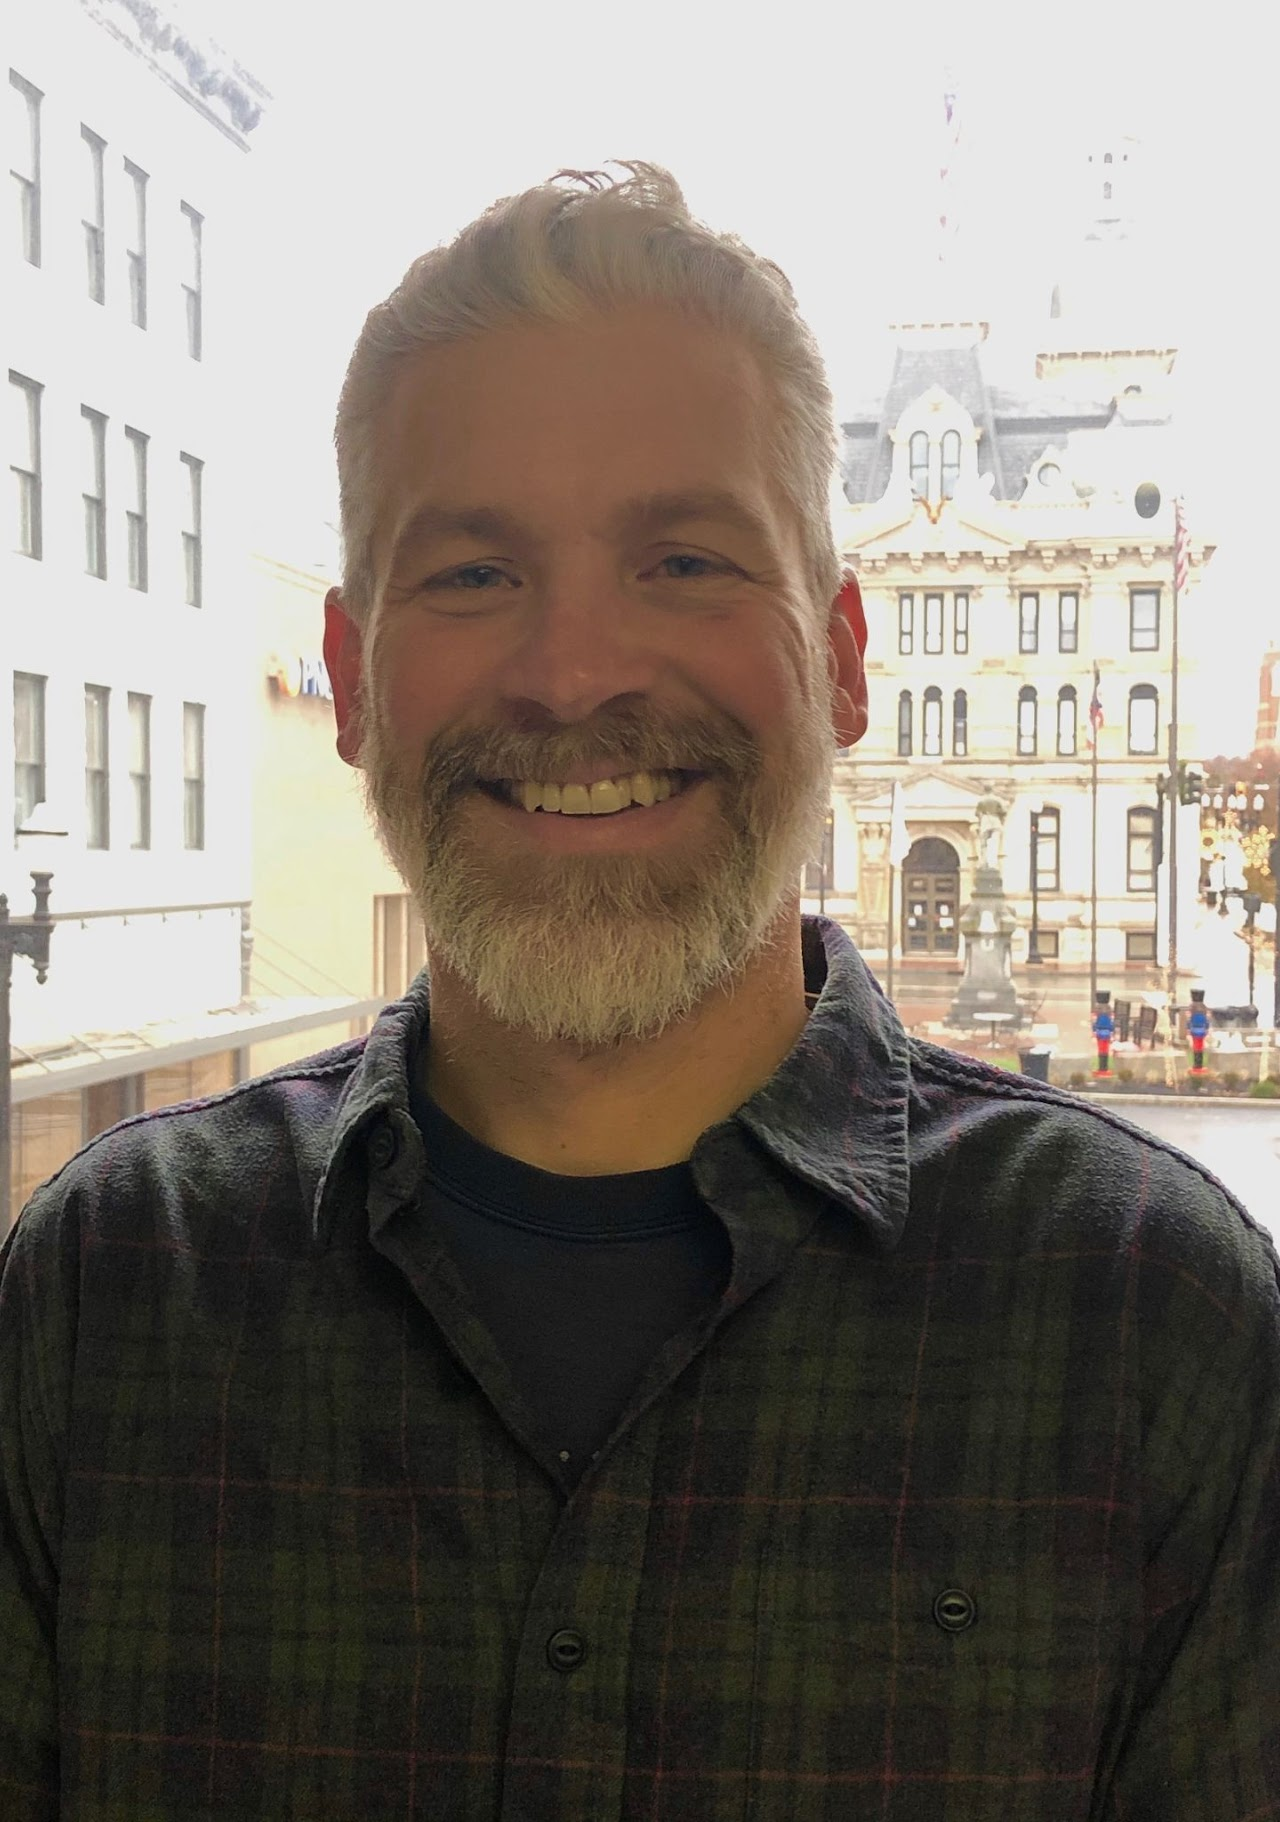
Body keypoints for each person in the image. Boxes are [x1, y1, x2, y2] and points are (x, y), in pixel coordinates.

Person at [1, 163, 1277, 1821]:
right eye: (473, 574)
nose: (576, 672)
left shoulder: (1156, 1324)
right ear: (351, 677)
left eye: (684, 560)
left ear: (841, 660)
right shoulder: (104, 1299)